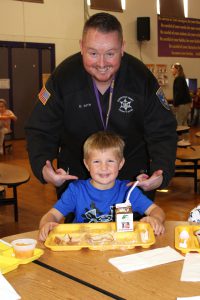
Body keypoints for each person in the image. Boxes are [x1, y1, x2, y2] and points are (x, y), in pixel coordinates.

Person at [25, 13, 177, 214]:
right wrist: (44, 168)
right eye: (93, 53)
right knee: (79, 242)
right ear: (81, 46)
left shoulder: (141, 78)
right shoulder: (63, 77)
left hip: (131, 182)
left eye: (111, 53)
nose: (102, 63)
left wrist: (161, 172)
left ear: (122, 47)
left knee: (134, 241)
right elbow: (40, 128)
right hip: (77, 181)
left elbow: (163, 129)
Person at [38, 131, 165, 242]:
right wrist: (46, 224)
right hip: (82, 251)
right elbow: (52, 216)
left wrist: (155, 219)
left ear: (120, 163)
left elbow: (157, 211)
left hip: (119, 249)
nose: (104, 167)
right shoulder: (76, 191)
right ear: (87, 164)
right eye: (96, 161)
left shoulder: (128, 191)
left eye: (110, 161)